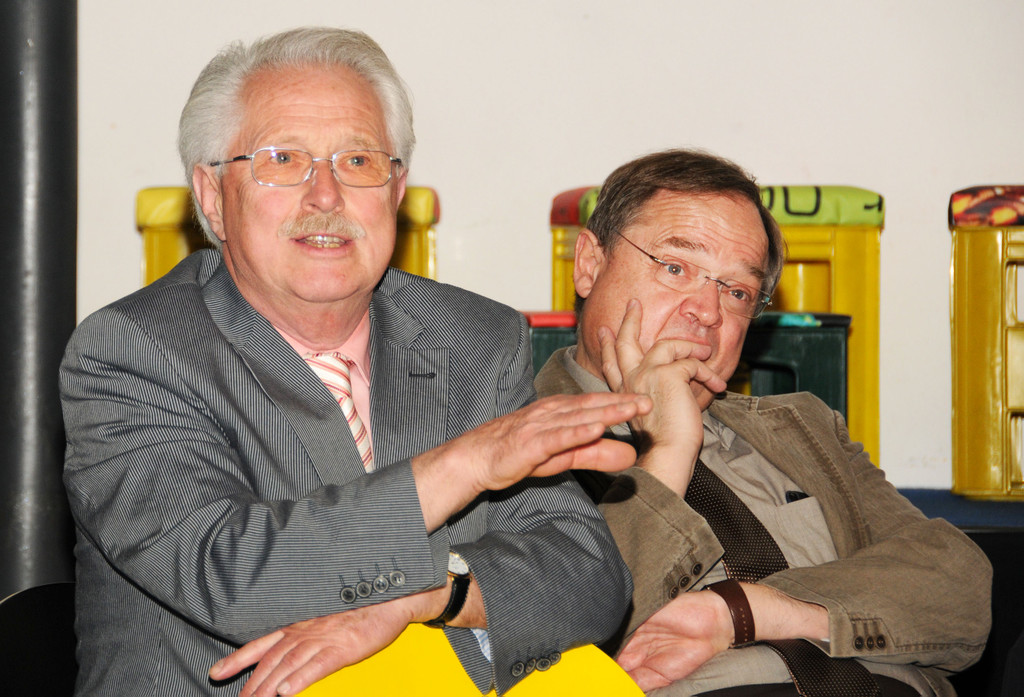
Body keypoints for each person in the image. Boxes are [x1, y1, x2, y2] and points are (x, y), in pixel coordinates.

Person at [60, 27, 646, 697]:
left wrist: (430, 594)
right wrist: (467, 463)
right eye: (284, 159)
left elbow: (589, 574)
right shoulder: (133, 352)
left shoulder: (474, 339)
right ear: (214, 196)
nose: (325, 195)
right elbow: (235, 573)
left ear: (396, 191)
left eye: (359, 161)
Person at [534, 148, 992, 696]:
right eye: (676, 267)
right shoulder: (509, 441)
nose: (708, 312)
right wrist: (669, 451)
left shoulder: (803, 427)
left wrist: (747, 611)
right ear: (589, 264)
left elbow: (959, 585)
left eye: (737, 292)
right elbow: (553, 632)